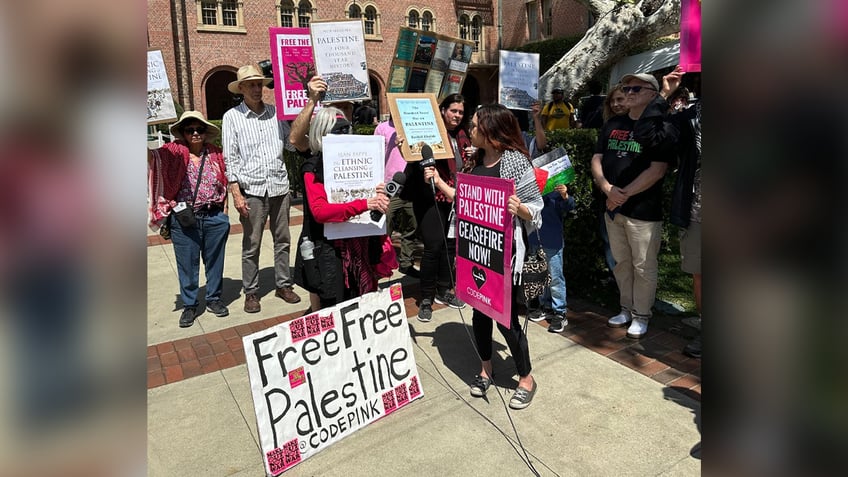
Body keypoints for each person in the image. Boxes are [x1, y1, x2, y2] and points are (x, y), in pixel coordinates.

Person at [424, 103, 543, 410]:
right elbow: (463, 200)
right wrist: (437, 180)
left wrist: (521, 210)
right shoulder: (474, 160)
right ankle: (485, 368)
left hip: (504, 254)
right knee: (479, 311)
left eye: (476, 125)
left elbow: (536, 208)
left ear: (491, 130)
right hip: (475, 250)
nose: (471, 129)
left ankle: (526, 378)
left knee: (505, 319)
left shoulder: (515, 162)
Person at [591, 71, 680, 339]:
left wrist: (624, 194)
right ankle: (626, 308)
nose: (628, 93)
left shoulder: (661, 128)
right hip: (612, 206)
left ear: (653, 95)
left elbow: (658, 170)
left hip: (642, 211)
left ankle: (642, 314)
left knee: (643, 266)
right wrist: (606, 187)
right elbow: (597, 158)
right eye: (626, 88)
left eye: (636, 89)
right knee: (622, 263)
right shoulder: (613, 123)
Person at [292, 108, 396, 307]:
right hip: (328, 247)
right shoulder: (313, 167)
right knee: (330, 301)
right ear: (321, 134)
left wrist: (378, 193)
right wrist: (365, 203)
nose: (343, 136)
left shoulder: (360, 161)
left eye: (345, 130)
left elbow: (370, 197)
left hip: (359, 241)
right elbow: (320, 211)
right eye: (336, 132)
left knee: (360, 296)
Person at [223, 64, 302, 314]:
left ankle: (283, 284)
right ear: (241, 89)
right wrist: (236, 193)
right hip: (253, 190)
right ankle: (251, 291)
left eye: (259, 84)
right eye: (251, 85)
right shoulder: (232, 117)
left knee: (283, 239)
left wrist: (300, 121)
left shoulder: (275, 114)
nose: (257, 89)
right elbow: (230, 158)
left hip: (278, 186)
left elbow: (291, 146)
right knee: (252, 243)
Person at [148, 111, 230, 327]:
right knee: (187, 265)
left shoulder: (215, 153)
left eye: (199, 129)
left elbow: (226, 179)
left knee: (215, 262)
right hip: (184, 219)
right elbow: (150, 158)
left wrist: (225, 212)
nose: (195, 133)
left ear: (205, 132)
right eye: (189, 129)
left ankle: (214, 299)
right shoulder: (172, 152)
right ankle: (190, 305)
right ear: (183, 133)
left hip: (214, 216)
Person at [401, 93, 469, 322]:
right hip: (431, 199)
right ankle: (426, 298)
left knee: (449, 247)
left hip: (454, 198)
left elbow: (464, 167)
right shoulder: (429, 131)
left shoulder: (462, 136)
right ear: (442, 110)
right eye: (453, 111)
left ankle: (443, 290)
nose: (457, 116)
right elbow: (414, 158)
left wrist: (472, 155)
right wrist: (405, 148)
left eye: (460, 112)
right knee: (433, 247)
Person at [665, 68, 701, 358]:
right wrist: (667, 92)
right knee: (700, 275)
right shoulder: (691, 116)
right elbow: (655, 132)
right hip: (699, 210)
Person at [374, 113, 419, 276]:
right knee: (385, 228)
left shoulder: (414, 127)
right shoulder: (382, 128)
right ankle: (380, 263)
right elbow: (375, 155)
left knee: (411, 226)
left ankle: (406, 263)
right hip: (389, 186)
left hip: (411, 186)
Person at [526, 184, 575, 333]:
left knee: (555, 277)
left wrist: (565, 195)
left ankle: (560, 312)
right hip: (534, 237)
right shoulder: (530, 184)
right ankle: (544, 305)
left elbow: (570, 206)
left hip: (552, 238)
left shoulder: (556, 186)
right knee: (538, 274)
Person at [596, 83, 629, 281]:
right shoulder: (608, 126)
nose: (616, 104)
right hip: (606, 194)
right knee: (609, 240)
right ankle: (616, 278)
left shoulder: (640, 123)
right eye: (612, 101)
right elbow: (597, 157)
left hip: (629, 197)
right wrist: (606, 189)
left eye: (620, 99)